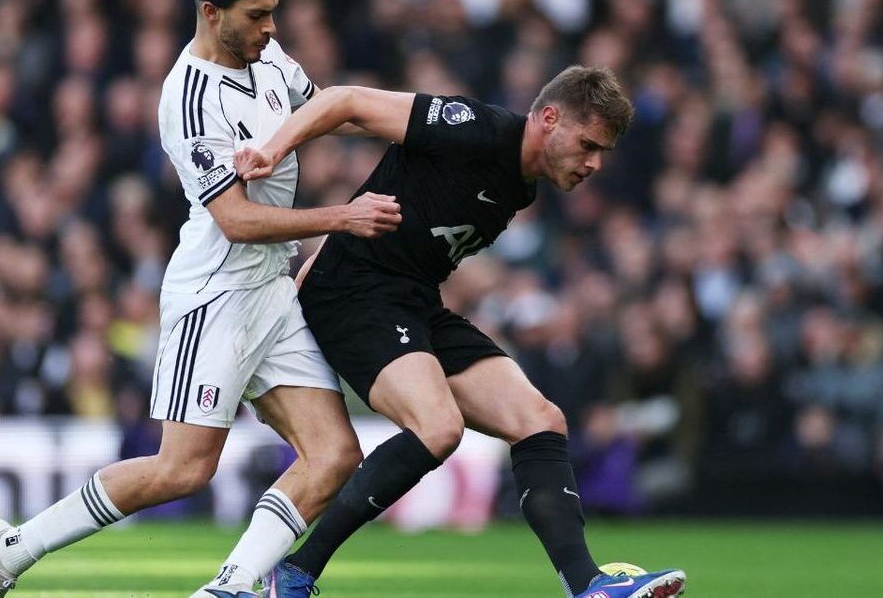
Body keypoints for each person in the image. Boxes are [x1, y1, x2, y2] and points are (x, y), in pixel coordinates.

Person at [0, 0, 402, 598]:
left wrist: (421, 127)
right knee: (182, 468)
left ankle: (230, 585)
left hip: (273, 291)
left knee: (334, 453)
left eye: (273, 12)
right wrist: (343, 217)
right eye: (258, 15)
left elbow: (323, 107)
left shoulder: (269, 55)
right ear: (212, 12)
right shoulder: (188, 97)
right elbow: (238, 220)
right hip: (215, 292)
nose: (271, 28)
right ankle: (8, 552)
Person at [237, 68, 687, 598]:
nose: (594, 163)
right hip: (355, 296)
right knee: (437, 427)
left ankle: (588, 586)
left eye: (602, 152)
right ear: (548, 119)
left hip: (413, 301)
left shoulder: (522, 189)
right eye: (588, 145)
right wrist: (271, 149)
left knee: (540, 420)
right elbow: (348, 100)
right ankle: (293, 574)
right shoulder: (473, 128)